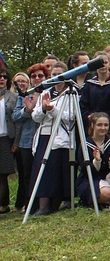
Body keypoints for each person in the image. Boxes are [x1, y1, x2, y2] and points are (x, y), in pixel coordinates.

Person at [28, 62, 73, 215]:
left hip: (61, 139)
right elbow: (35, 116)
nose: (56, 78)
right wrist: (43, 108)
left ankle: (51, 205)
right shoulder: (45, 92)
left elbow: (70, 117)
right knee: (40, 170)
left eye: (59, 75)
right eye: (53, 75)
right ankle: (40, 206)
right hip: (44, 136)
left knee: (53, 172)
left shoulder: (72, 93)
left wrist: (52, 109)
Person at [75, 112, 110, 209]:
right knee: (107, 193)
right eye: (99, 125)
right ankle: (97, 201)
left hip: (106, 177)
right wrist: (97, 161)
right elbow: (85, 170)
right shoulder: (85, 145)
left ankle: (107, 203)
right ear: (92, 125)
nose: (103, 128)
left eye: (106, 125)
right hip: (90, 179)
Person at [11, 71, 35, 212]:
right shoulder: (21, 97)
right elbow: (16, 116)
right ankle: (26, 204)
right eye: (18, 81)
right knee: (25, 174)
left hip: (40, 138)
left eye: (23, 81)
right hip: (23, 140)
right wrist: (27, 110)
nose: (21, 84)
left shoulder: (41, 93)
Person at [80, 51, 110, 130]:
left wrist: (105, 118)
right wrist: (89, 116)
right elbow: (83, 105)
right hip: (91, 125)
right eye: (98, 63)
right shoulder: (89, 84)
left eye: (105, 62)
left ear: (109, 63)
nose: (102, 65)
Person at [0, 67, 18, 214]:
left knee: (3, 173)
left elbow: (17, 122)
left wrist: (16, 142)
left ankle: (4, 205)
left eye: (5, 77)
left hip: (6, 139)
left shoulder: (13, 97)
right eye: (0, 77)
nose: (2, 79)